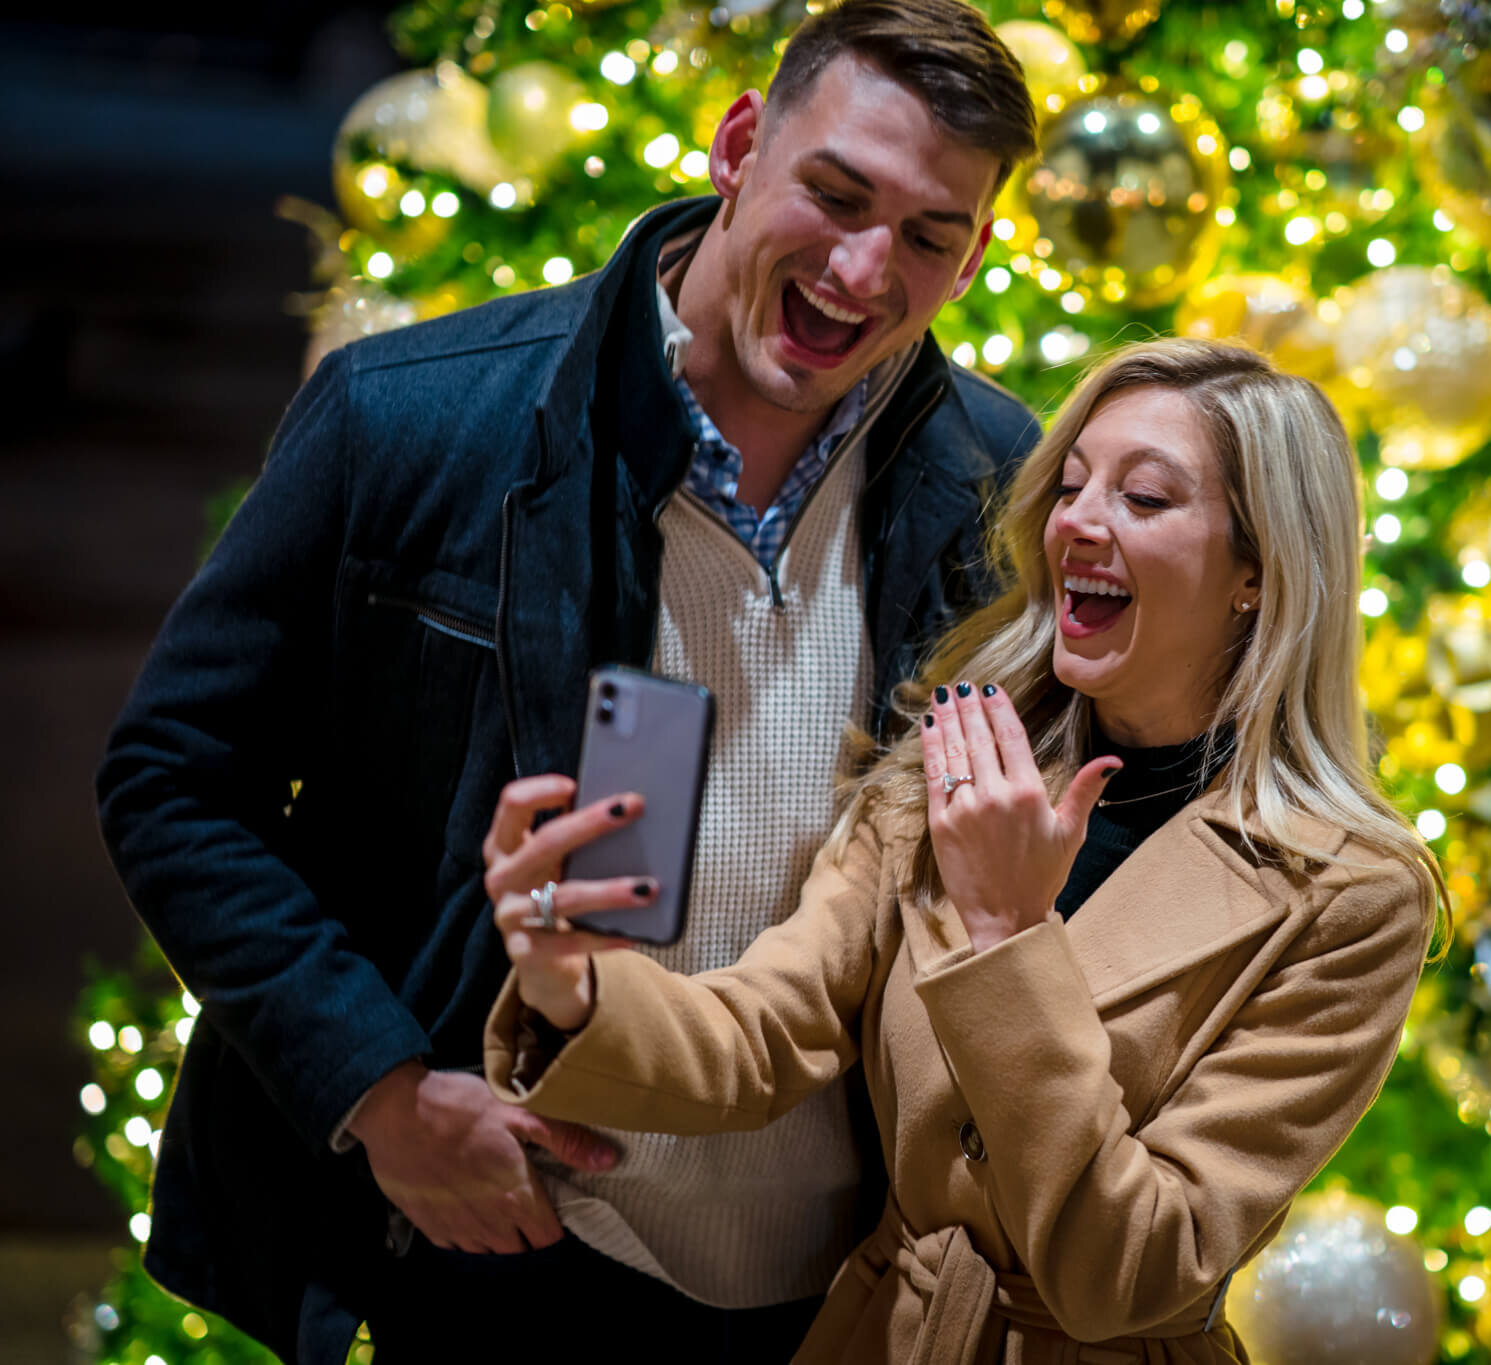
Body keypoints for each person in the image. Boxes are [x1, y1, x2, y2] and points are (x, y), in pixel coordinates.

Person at [93, 2, 1039, 1360]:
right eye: (835, 194)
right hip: (514, 1255)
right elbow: (173, 780)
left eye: (928, 237)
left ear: (977, 254)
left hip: (857, 1289)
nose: (860, 268)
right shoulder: (409, 416)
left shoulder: (1000, 486)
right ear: (738, 144)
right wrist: (384, 1090)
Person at [477, 338, 1449, 1363]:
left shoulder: (1348, 894)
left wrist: (1005, 934)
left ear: (1258, 571)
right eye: (1070, 486)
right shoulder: (957, 764)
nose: (1076, 520)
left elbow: (1133, 1268)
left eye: (1145, 499)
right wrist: (572, 988)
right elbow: (765, 1029)